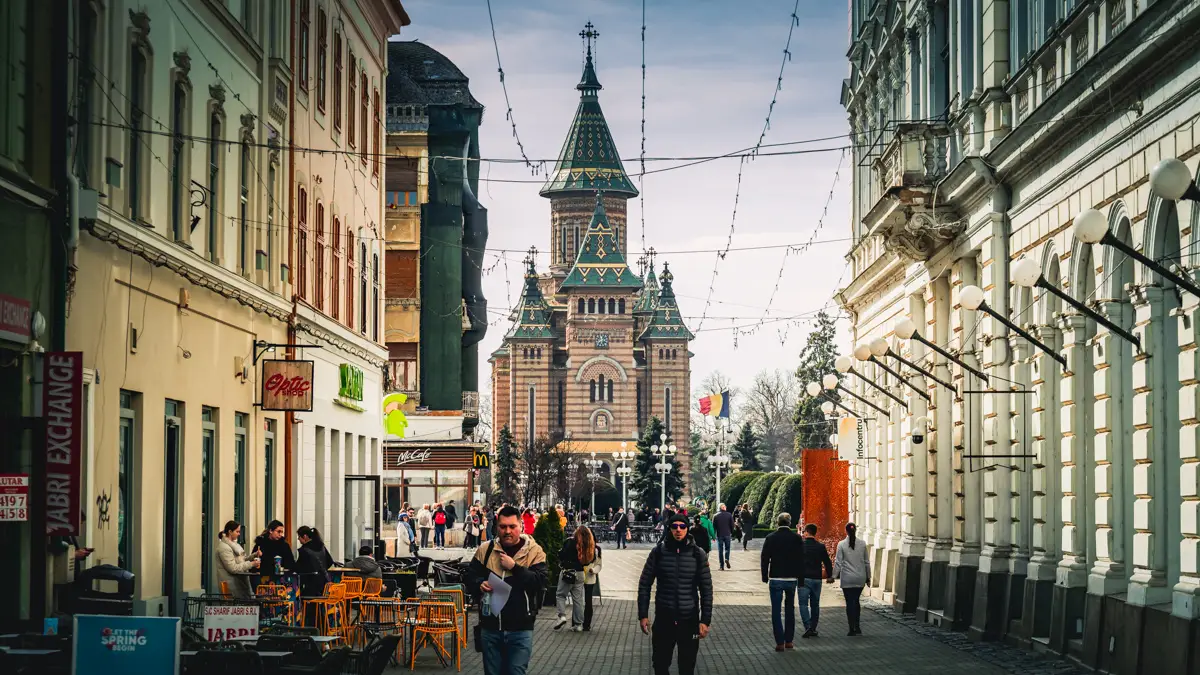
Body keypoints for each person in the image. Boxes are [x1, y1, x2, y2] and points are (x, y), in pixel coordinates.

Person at [466, 506, 548, 675]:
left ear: (521, 526)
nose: (507, 531)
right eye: (503, 527)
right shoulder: (486, 550)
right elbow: (469, 577)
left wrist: (514, 567)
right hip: (490, 628)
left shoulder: (534, 552)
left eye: (512, 527)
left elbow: (539, 582)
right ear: (497, 527)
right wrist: (479, 583)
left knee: (516, 672)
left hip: (521, 629)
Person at [637, 514, 713, 675]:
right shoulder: (658, 552)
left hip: (689, 620)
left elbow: (706, 589)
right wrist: (642, 615)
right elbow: (644, 585)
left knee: (687, 667)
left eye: (682, 526)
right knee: (660, 665)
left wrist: (705, 620)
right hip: (664, 619)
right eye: (675, 526)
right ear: (669, 529)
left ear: (687, 528)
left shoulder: (698, 554)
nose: (678, 530)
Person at [760, 513, 805, 651]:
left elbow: (764, 558)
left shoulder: (771, 538)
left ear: (777, 523)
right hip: (791, 578)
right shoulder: (797, 538)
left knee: (776, 611)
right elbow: (801, 559)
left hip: (776, 577)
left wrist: (764, 576)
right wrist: (801, 579)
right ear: (790, 523)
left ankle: (779, 642)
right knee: (790, 610)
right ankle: (789, 641)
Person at [555, 526, 596, 631]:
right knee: (578, 599)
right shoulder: (589, 545)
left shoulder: (570, 542)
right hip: (581, 573)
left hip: (568, 572)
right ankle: (578, 625)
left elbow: (562, 555)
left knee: (560, 594)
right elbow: (590, 560)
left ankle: (562, 616)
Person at [833, 522, 870, 636]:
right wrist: (868, 577)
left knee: (849, 602)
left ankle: (851, 628)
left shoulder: (841, 544)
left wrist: (833, 576)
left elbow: (838, 562)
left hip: (847, 578)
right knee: (856, 601)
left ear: (846, 531)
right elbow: (866, 562)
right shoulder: (863, 544)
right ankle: (858, 626)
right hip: (860, 577)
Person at [799, 523, 834, 638]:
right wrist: (830, 575)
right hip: (817, 579)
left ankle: (807, 626)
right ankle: (813, 628)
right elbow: (827, 562)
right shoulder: (820, 546)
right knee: (815, 604)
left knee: (803, 604)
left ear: (806, 532)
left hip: (803, 579)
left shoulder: (800, 546)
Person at [216, 520, 259, 598]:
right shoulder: (224, 548)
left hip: (239, 583)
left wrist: (254, 555)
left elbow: (241, 560)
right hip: (232, 586)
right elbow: (233, 568)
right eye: (237, 531)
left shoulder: (234, 544)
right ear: (230, 531)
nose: (239, 534)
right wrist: (252, 564)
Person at [295, 525, 334, 597]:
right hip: (324, 583)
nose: (298, 539)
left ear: (305, 536)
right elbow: (330, 561)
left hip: (310, 586)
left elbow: (299, 568)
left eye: (299, 536)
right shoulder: (321, 546)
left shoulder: (304, 550)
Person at [583, 535, 603, 632]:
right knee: (578, 601)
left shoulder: (597, 550)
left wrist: (593, 570)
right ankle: (576, 622)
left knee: (588, 601)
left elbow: (599, 565)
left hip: (590, 578)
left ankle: (587, 624)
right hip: (579, 577)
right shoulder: (579, 547)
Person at [712, 504, 735, 571]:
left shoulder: (715, 516)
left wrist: (713, 536)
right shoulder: (729, 515)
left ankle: (721, 566)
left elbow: (714, 527)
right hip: (727, 534)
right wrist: (731, 532)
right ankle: (727, 558)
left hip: (719, 535)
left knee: (720, 550)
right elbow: (732, 525)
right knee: (727, 548)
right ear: (724, 508)